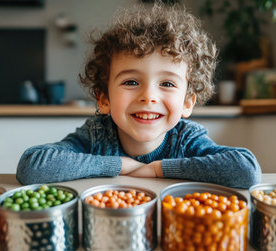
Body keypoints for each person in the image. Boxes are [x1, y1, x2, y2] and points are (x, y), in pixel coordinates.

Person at [16, 3, 261, 189]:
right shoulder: (97, 135)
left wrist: (159, 170)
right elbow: (32, 166)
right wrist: (120, 165)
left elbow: (246, 170)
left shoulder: (185, 140)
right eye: (131, 82)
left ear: (187, 103)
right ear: (104, 100)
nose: (148, 96)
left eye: (166, 83)